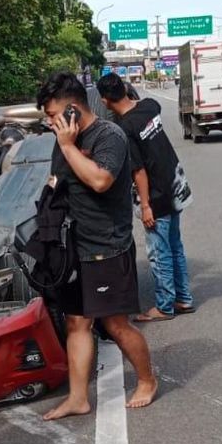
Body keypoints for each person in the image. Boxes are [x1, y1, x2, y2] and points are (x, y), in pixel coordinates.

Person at [36, 72, 157, 420]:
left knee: (116, 324)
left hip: (107, 247)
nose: (49, 122)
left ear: (73, 110)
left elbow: (101, 180)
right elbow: (58, 183)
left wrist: (68, 147)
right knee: (76, 322)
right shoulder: (63, 141)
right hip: (74, 248)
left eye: (52, 114)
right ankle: (78, 398)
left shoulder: (110, 136)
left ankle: (147, 380)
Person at [97, 73, 195, 322]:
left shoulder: (125, 129)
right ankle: (183, 298)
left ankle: (164, 306)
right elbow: (145, 105)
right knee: (175, 246)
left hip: (156, 195)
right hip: (175, 184)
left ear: (105, 100)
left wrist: (146, 206)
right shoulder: (150, 106)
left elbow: (138, 171)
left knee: (159, 252)